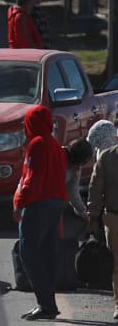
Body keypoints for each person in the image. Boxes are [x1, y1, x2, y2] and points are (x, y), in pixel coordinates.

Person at [14, 105, 68, 321]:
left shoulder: (37, 144)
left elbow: (31, 179)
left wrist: (19, 202)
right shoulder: (55, 145)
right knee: (47, 253)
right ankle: (49, 302)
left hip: (38, 203)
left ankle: (45, 304)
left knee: (28, 252)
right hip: (55, 203)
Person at [86, 121, 118, 320]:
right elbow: (95, 190)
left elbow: (95, 190)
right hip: (114, 217)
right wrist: (93, 216)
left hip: (112, 217)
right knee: (117, 265)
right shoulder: (107, 158)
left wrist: (93, 217)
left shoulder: (105, 157)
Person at [64, 138, 94, 222]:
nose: (77, 168)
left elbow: (73, 192)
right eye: (76, 165)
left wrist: (83, 213)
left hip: (54, 205)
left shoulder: (76, 169)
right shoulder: (55, 156)